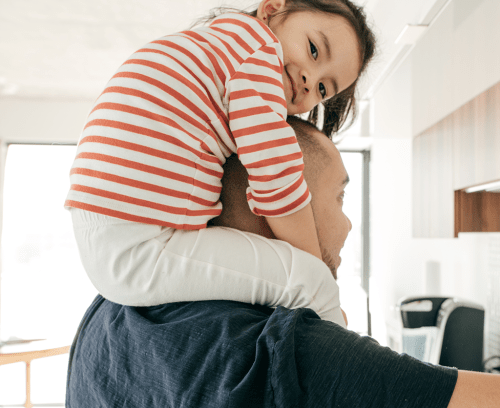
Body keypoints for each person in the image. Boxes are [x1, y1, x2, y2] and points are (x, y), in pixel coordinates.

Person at [66, 117, 500, 407]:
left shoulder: (107, 311)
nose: (348, 224)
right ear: (276, 201)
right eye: (340, 197)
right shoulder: (288, 350)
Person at [65, 0, 376, 322]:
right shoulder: (256, 56)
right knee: (309, 282)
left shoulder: (220, 47)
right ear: (272, 10)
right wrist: (316, 267)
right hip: (138, 244)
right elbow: (278, 181)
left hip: (108, 230)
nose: (308, 80)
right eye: (314, 50)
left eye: (321, 88)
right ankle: (342, 362)